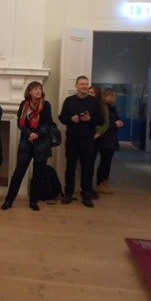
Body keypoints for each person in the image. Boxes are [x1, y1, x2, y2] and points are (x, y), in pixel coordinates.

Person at [1, 81, 53, 211]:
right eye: (35, 89)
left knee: (38, 173)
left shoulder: (46, 105)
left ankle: (34, 201)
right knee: (18, 172)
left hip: (41, 144)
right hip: (26, 142)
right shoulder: (23, 104)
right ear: (29, 91)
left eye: (40, 89)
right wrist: (29, 133)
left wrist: (37, 134)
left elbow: (48, 123)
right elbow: (20, 123)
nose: (38, 91)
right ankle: (9, 200)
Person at [58, 75, 103, 208]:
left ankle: (86, 194)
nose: (84, 86)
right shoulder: (69, 101)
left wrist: (90, 119)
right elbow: (62, 118)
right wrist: (71, 119)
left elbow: (101, 120)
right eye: (82, 84)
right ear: (76, 86)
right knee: (70, 168)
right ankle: (68, 193)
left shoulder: (94, 102)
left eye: (86, 84)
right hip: (72, 140)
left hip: (88, 140)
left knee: (87, 168)